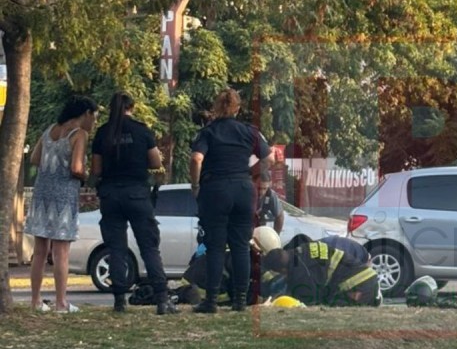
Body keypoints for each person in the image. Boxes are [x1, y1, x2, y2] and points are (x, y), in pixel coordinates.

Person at [90, 92, 177, 315]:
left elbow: (97, 170)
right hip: (137, 194)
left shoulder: (102, 133)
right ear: (132, 107)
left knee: (116, 248)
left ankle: (120, 300)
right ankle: (162, 300)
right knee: (149, 247)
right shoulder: (141, 130)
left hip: (110, 195)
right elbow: (156, 161)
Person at [190, 88, 272, 313]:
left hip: (215, 188)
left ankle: (212, 301)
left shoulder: (208, 132)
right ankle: (240, 300)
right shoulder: (250, 132)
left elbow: (197, 159)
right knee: (241, 246)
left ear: (217, 107)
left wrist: (195, 185)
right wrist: (250, 172)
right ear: (238, 108)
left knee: (216, 247)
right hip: (243, 189)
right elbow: (270, 157)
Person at [25, 95, 98, 313]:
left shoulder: (50, 130)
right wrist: (87, 175)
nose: (94, 122)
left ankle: (36, 301)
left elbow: (35, 159)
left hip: (42, 194)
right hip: (63, 197)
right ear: (85, 114)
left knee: (39, 252)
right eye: (94, 117)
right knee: (61, 253)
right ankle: (60, 302)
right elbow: (76, 168)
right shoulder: (79, 135)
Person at [258, 237, 381, 307]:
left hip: (355, 286)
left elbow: (307, 304)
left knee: (337, 317)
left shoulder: (301, 275)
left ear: (282, 270)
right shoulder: (304, 248)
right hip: (368, 275)